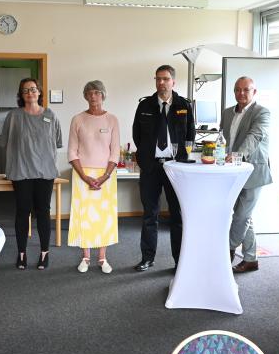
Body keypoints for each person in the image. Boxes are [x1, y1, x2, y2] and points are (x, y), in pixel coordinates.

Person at [131, 65, 195, 272]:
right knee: (150, 214)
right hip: (151, 168)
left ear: (173, 82)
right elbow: (137, 135)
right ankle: (147, 258)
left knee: (176, 214)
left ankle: (180, 260)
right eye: (158, 79)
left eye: (166, 79)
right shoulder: (145, 105)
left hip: (175, 168)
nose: (161, 83)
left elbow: (190, 136)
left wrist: (182, 159)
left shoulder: (183, 105)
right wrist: (145, 157)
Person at [1, 77, 63, 270]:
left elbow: (58, 142)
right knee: (22, 212)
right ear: (21, 95)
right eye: (26, 90)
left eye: (33, 89)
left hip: (45, 172)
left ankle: (45, 253)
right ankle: (22, 254)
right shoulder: (14, 116)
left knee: (43, 212)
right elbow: (5, 143)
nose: (30, 93)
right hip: (21, 171)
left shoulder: (51, 115)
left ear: (39, 92)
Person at [67, 80, 120, 274]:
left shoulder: (112, 120)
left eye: (97, 92)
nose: (93, 96)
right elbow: (72, 151)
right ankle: (86, 257)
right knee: (84, 215)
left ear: (103, 95)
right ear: (85, 96)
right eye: (89, 93)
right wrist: (84, 176)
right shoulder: (77, 119)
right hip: (82, 174)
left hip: (106, 175)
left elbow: (115, 152)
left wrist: (105, 176)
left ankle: (102, 258)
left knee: (104, 216)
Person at [221, 77, 272, 273]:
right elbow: (225, 139)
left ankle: (227, 249)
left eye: (246, 90)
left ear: (254, 92)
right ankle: (251, 258)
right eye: (237, 90)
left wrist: (237, 155)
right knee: (245, 215)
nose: (241, 93)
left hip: (253, 170)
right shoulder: (227, 113)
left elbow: (255, 136)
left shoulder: (262, 112)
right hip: (232, 172)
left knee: (242, 216)